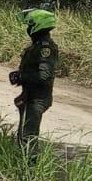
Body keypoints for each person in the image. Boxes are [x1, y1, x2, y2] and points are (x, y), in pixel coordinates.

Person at [9, 9, 58, 157]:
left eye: (30, 25)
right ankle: (23, 165)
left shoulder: (45, 47)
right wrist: (19, 77)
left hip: (37, 98)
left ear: (37, 26)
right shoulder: (36, 45)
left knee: (28, 137)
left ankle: (30, 168)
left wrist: (22, 77)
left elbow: (44, 76)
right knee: (23, 135)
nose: (28, 29)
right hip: (30, 95)